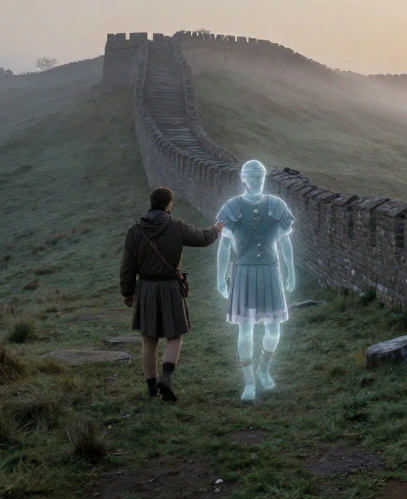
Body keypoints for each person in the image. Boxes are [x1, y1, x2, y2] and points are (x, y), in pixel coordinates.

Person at [120, 186, 223, 401]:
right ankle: (165, 376)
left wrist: (128, 292)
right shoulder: (175, 226)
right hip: (169, 287)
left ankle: (151, 390)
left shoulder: (135, 230)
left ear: (151, 203)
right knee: (174, 336)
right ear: (168, 205)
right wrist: (215, 230)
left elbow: (127, 265)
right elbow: (201, 238)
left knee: (149, 341)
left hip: (146, 288)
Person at [216, 159, 296, 401]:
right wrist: (220, 278)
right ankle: (249, 382)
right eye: (251, 178)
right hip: (244, 272)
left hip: (271, 270)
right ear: (242, 179)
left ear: (264, 178)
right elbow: (224, 246)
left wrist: (291, 271)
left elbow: (285, 242)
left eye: (259, 178)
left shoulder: (277, 205)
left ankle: (264, 368)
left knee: (273, 329)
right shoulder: (231, 207)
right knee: (245, 330)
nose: (255, 182)